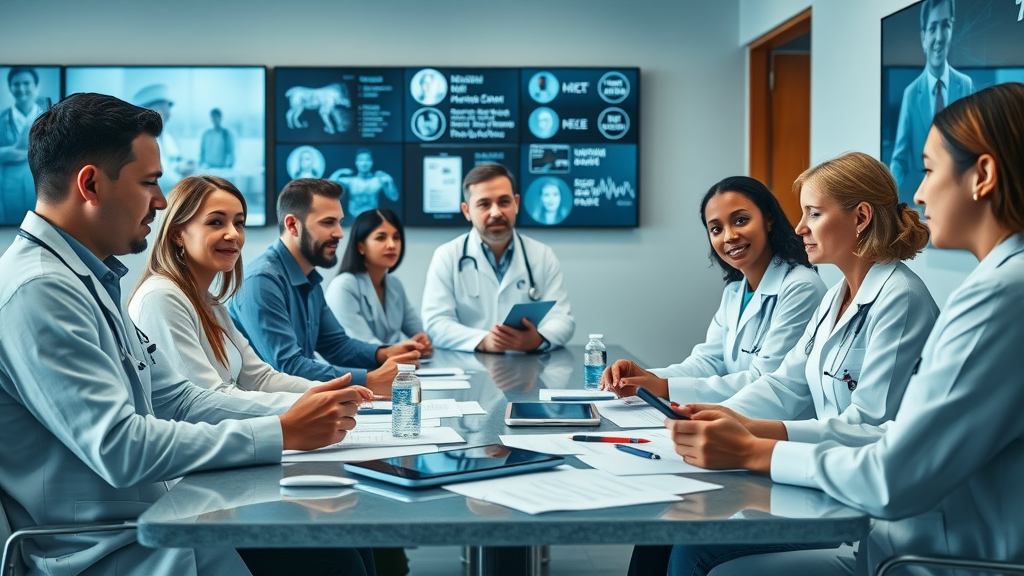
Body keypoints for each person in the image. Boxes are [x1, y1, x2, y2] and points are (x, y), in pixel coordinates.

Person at [0, 92, 374, 576]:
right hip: (118, 549)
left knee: (343, 545)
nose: (160, 200)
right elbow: (122, 448)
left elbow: (180, 401)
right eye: (150, 183)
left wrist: (307, 409)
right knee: (336, 559)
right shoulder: (41, 290)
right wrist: (281, 432)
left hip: (161, 516)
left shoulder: (87, 278)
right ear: (90, 184)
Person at [678, 82, 1024, 576]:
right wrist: (733, 422)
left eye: (928, 170)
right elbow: (788, 382)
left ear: (983, 175)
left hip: (921, 552)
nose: (920, 192)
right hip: (893, 526)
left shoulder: (992, 297)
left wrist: (756, 449)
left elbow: (888, 460)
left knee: (702, 551)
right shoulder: (842, 292)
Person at [661, 152, 939, 576]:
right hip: (827, 486)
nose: (799, 227)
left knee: (693, 547)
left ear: (860, 217)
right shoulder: (836, 297)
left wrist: (751, 434)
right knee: (684, 531)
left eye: (813, 213)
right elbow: (787, 384)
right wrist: (726, 415)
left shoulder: (899, 298)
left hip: (867, 511)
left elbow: (869, 427)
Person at [600, 176, 826, 576]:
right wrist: (649, 378)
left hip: (767, 441)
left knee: (676, 521)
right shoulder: (736, 291)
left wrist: (668, 390)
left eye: (741, 221)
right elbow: (707, 361)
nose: (729, 237)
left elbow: (764, 380)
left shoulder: (801, 287)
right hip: (733, 437)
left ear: (769, 220)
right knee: (662, 518)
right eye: (716, 228)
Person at [129, 176, 316, 410]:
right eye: (216, 222)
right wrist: (313, 402)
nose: (233, 234)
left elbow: (260, 378)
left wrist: (330, 391)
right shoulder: (161, 298)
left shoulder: (210, 303)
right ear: (178, 234)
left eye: (239, 223)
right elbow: (209, 398)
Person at [229, 178, 422, 396]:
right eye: (328, 222)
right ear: (292, 225)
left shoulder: (309, 278)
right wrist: (369, 380)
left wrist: (384, 353)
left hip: (296, 405)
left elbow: (336, 345)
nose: (340, 233)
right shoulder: (261, 280)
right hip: (264, 413)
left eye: (339, 222)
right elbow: (288, 367)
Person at [422, 163, 575, 352]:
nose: (496, 212)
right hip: (467, 369)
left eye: (504, 202)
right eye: (484, 204)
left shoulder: (542, 255)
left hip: (529, 369)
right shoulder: (447, 256)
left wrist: (536, 339)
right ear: (466, 210)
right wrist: (484, 341)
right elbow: (435, 323)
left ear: (516, 204)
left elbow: (563, 320)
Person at [889, 0, 974, 203]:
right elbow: (900, 159)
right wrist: (887, 196)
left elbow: (974, 147)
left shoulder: (965, 85)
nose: (939, 37)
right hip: (925, 204)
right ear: (923, 37)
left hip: (961, 200)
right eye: (933, 27)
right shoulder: (911, 94)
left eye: (945, 25)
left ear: (952, 29)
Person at [326, 208, 432, 352]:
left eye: (396, 237)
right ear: (361, 246)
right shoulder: (343, 286)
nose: (392, 245)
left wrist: (423, 342)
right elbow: (363, 344)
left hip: (391, 367)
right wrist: (405, 348)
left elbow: (418, 332)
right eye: (381, 237)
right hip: (354, 371)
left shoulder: (395, 284)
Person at [0, 67, 43, 225]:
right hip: (9, 191)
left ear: (36, 87)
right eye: (16, 84)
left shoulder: (51, 119)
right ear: (10, 87)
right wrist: (10, 153)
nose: (21, 88)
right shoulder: (1, 120)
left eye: (26, 83)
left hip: (43, 193)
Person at [132, 83, 195, 190]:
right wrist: (184, 182)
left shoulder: (167, 138)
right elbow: (159, 178)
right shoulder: (138, 141)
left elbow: (173, 161)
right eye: (162, 112)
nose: (168, 116)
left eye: (167, 112)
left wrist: (182, 167)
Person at [328, 148, 399, 218]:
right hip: (353, 219)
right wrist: (339, 172)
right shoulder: (350, 181)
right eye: (361, 160)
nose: (364, 163)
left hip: (373, 219)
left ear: (372, 162)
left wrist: (390, 180)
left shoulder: (378, 181)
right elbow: (329, 190)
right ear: (356, 162)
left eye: (367, 160)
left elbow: (394, 197)